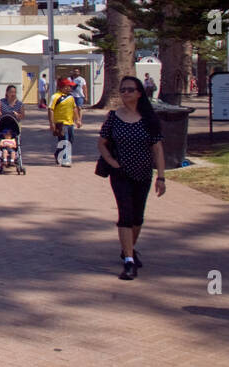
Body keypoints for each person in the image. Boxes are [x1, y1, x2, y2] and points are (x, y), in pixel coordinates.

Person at [97, 77, 166, 281]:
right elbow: (102, 143)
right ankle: (129, 261)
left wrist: (161, 177)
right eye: (123, 90)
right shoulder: (113, 117)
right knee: (125, 216)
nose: (125, 93)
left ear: (138, 93)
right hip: (121, 174)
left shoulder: (149, 119)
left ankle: (128, 249)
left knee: (137, 218)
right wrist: (111, 161)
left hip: (143, 173)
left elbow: (158, 149)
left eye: (130, 90)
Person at [48, 77, 82, 166]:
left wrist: (77, 119)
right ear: (63, 87)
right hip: (61, 123)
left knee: (70, 141)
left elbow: (74, 108)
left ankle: (57, 153)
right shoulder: (55, 96)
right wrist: (52, 123)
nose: (71, 88)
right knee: (64, 141)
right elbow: (50, 109)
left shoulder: (71, 97)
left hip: (70, 123)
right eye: (69, 86)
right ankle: (64, 160)